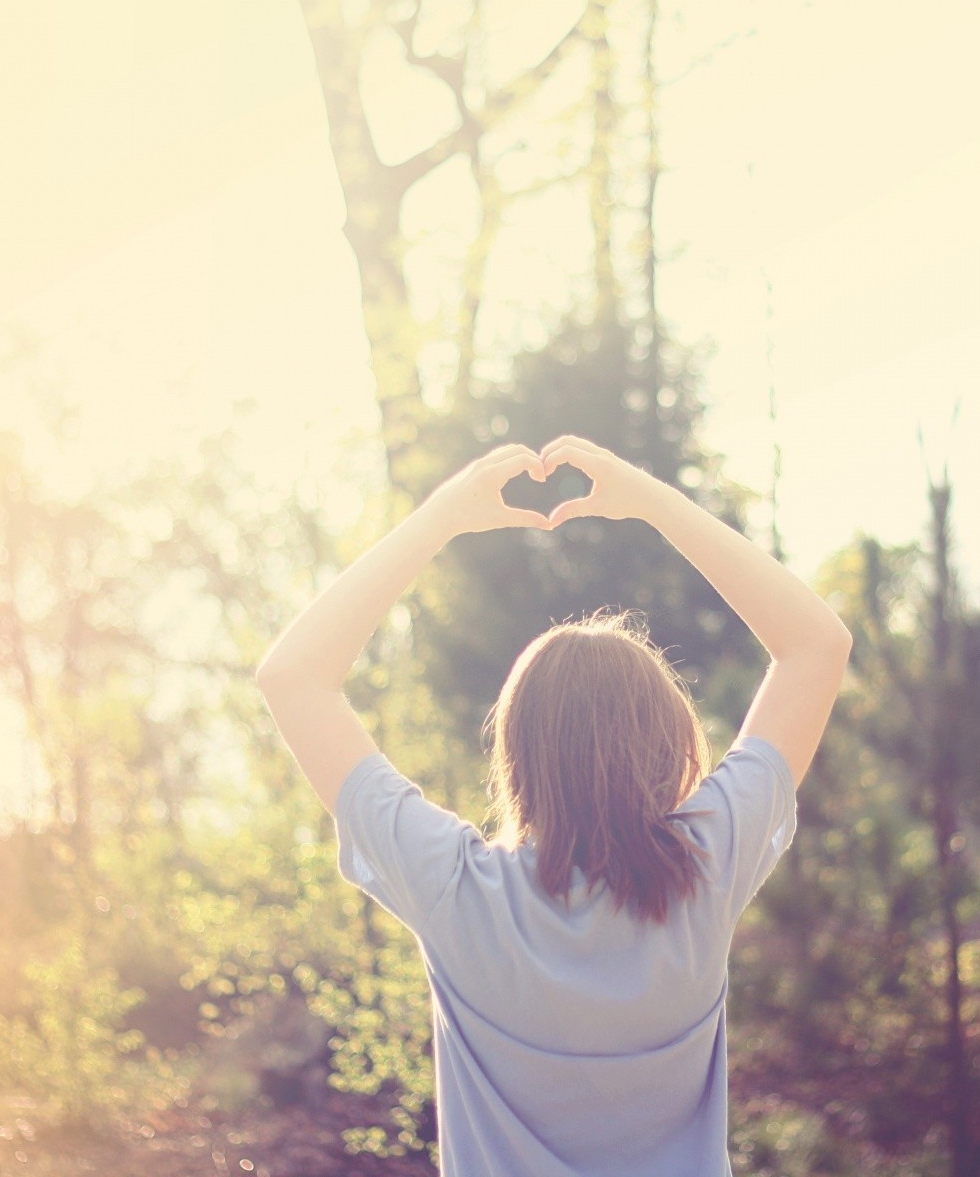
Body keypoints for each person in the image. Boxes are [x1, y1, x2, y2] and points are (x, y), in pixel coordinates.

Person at [255, 434, 853, 1176]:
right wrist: (653, 502)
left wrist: (440, 517)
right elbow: (817, 645)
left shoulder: (454, 888)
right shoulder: (708, 865)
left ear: (515, 756)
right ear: (669, 744)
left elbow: (293, 677)